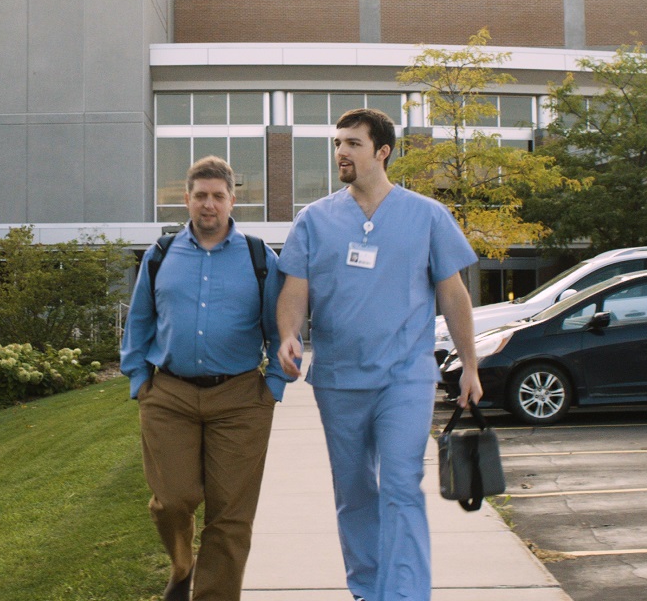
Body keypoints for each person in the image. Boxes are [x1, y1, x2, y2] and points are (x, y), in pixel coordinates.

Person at [277, 108, 482, 601]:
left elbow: (453, 295)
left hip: (404, 378)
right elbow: (295, 290)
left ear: (382, 151)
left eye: (352, 143)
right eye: (337, 143)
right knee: (355, 493)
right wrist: (289, 334)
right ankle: (368, 589)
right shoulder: (315, 219)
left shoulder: (427, 215)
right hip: (339, 380)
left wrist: (471, 365)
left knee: (400, 487)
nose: (341, 152)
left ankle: (406, 595)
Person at [120, 155, 289, 601]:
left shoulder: (259, 257)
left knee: (230, 516)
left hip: (239, 398)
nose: (209, 205)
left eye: (218, 196)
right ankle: (181, 562)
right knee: (172, 499)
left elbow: (280, 327)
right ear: (187, 200)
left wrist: (272, 386)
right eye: (200, 196)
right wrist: (139, 377)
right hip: (169, 393)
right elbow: (139, 320)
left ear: (233, 200)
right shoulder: (160, 255)